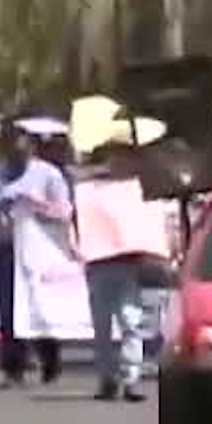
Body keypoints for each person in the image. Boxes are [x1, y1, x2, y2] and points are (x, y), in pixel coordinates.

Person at [75, 135, 171, 402]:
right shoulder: (91, 190)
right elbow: (79, 219)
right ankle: (107, 380)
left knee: (130, 321)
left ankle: (130, 379)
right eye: (116, 155)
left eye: (125, 155)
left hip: (129, 263)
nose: (120, 161)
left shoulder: (140, 190)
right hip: (99, 263)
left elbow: (153, 224)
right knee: (102, 326)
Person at [0, 127, 72, 388]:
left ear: (31, 146)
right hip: (6, 247)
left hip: (37, 249)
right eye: (11, 146)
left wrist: (37, 204)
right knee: (7, 307)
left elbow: (64, 213)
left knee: (39, 305)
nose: (17, 151)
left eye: (22, 145)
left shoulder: (48, 174)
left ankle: (50, 362)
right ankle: (12, 368)